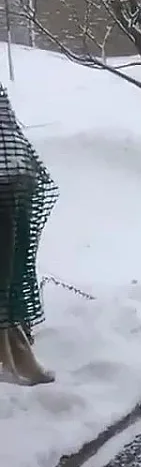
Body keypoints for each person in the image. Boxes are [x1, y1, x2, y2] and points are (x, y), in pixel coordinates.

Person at [0, 83, 56, 385]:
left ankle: (15, 356)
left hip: (10, 187)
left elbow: (9, 130)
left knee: (7, 280)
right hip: (9, 185)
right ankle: (10, 359)